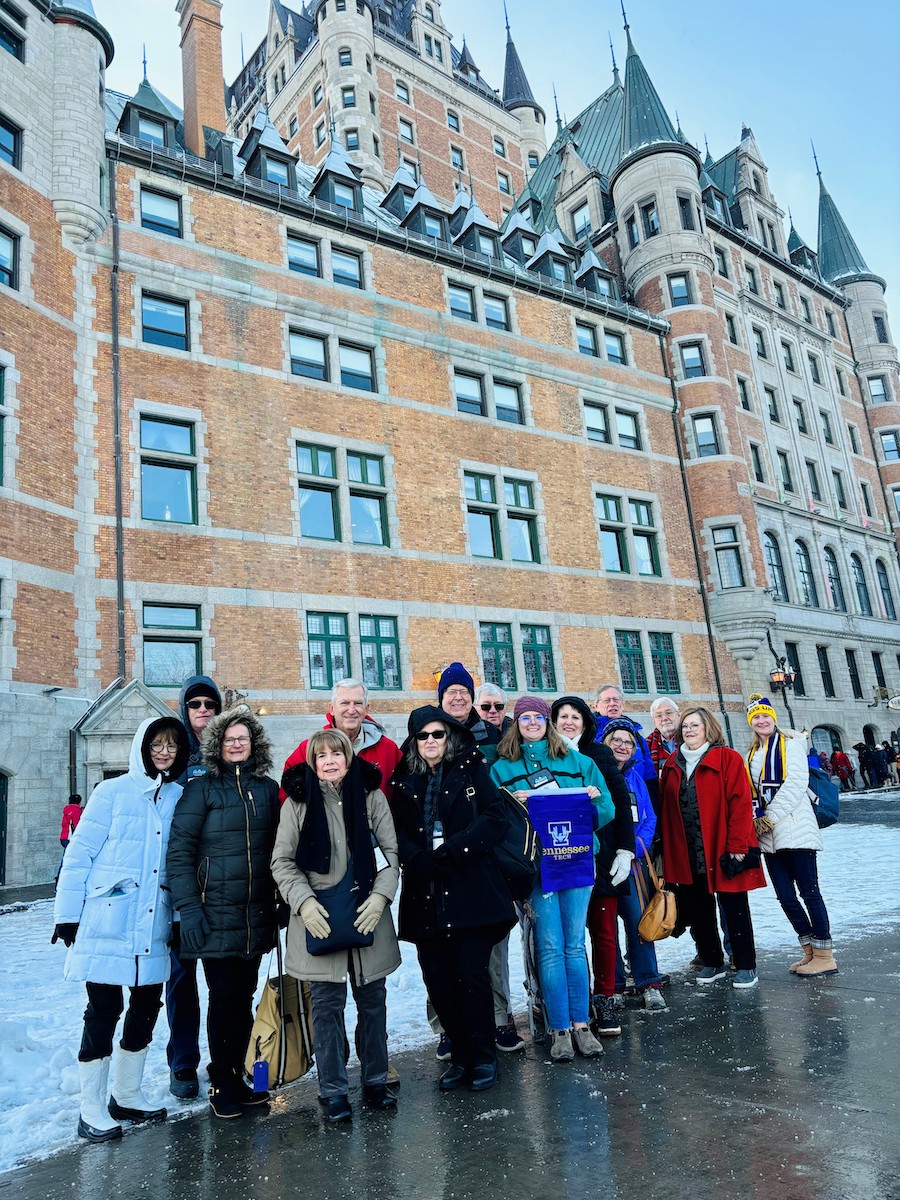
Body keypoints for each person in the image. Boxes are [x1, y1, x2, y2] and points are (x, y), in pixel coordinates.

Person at [52, 716, 189, 1143]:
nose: (164, 751)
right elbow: (80, 854)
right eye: (157, 744)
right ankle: (89, 1106)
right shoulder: (110, 793)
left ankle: (126, 1094)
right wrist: (67, 914)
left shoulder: (179, 796)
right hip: (108, 920)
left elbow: (179, 864)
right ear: (142, 746)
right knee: (103, 1010)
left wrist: (180, 920)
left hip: (153, 922)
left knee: (146, 1008)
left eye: (172, 745)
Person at [273, 729, 401, 1123]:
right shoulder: (297, 804)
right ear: (312, 762)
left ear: (348, 757)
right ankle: (332, 1090)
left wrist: (381, 896)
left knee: (372, 1001)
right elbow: (282, 861)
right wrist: (304, 903)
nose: (329, 761)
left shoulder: (370, 797)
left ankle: (376, 1080)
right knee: (326, 1008)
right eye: (321, 756)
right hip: (319, 917)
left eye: (336, 753)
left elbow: (390, 852)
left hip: (367, 911)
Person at [390, 706, 515, 1092]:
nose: (431, 742)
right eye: (423, 736)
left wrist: (454, 851)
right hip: (426, 892)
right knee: (439, 981)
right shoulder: (403, 779)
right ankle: (460, 1057)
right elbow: (396, 827)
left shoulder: (473, 768)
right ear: (414, 741)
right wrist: (416, 858)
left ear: (450, 737)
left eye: (438, 734)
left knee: (471, 978)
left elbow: (494, 819)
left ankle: (483, 1056)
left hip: (470, 890)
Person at [166, 707, 281, 1120]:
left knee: (244, 997)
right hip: (213, 915)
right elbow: (178, 855)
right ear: (217, 745)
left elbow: (279, 851)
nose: (237, 744)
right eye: (230, 739)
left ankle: (247, 1075)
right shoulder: (201, 790)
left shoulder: (267, 790)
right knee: (223, 998)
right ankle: (223, 1079)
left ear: (254, 745)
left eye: (243, 738)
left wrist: (279, 901)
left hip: (254, 915)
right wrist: (190, 911)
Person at [491, 697, 613, 1063]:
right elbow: (498, 819)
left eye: (538, 717)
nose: (532, 723)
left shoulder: (580, 762)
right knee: (548, 946)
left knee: (574, 945)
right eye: (524, 717)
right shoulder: (502, 769)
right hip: (536, 868)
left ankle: (581, 1023)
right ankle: (558, 1026)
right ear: (516, 723)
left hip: (576, 863)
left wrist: (589, 804)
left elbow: (606, 808)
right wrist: (516, 802)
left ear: (549, 722)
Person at [434, 664, 520, 1056]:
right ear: (440, 697)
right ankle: (447, 1027)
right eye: (450, 692)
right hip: (442, 856)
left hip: (485, 852)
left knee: (492, 945)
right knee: (441, 946)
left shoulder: (494, 736)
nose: (457, 698)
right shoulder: (428, 731)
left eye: (463, 693)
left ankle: (499, 1019)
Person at [658, 705, 765, 989]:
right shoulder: (672, 764)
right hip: (688, 848)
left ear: (708, 728)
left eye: (695, 725)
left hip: (722, 846)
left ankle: (745, 964)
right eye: (686, 727)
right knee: (699, 910)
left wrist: (737, 844)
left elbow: (740, 804)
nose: (689, 730)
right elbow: (667, 811)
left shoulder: (726, 758)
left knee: (735, 908)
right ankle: (712, 960)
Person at [550, 695, 634, 1037]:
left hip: (602, 855)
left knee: (603, 930)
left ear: (586, 722)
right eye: (563, 716)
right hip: (561, 858)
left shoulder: (598, 754)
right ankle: (571, 1002)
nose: (569, 722)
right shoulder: (545, 754)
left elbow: (621, 804)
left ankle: (606, 996)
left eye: (576, 716)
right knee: (566, 937)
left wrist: (625, 850)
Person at [745, 695, 837, 976]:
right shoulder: (752, 752)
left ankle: (825, 954)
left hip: (795, 828)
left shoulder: (791, 744)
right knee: (785, 896)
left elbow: (796, 784)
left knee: (809, 892)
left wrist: (768, 818)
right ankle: (809, 950)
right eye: (756, 717)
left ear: (774, 718)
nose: (762, 721)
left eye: (766, 716)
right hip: (770, 837)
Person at [166, 674, 222, 1100]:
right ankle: (183, 1060)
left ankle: (223, 1056)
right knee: (182, 980)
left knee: (225, 981)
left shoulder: (229, 753)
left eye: (209, 703)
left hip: (223, 883)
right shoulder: (174, 757)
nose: (203, 710)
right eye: (195, 703)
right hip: (181, 886)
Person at [601, 720, 667, 1013]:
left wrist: (638, 847)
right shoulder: (597, 773)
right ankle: (612, 986)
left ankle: (648, 982)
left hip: (633, 863)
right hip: (603, 862)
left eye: (628, 742)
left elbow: (649, 817)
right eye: (616, 740)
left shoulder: (636, 778)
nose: (622, 746)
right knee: (605, 929)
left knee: (638, 923)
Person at [279, 678, 403, 803]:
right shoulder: (308, 749)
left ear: (367, 709)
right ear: (332, 708)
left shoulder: (388, 749)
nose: (351, 710)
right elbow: (287, 800)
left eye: (358, 703)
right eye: (344, 703)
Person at [592, 683, 658, 805]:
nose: (612, 703)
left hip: (637, 799)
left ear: (623, 705)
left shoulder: (636, 734)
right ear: (596, 706)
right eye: (607, 700)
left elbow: (649, 774)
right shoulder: (591, 734)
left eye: (616, 699)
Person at [646, 698, 680, 773]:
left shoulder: (691, 737)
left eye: (668, 713)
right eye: (659, 715)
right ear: (654, 721)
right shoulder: (646, 745)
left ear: (678, 715)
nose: (664, 718)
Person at [56, 793, 83, 883]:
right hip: (71, 839)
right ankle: (63, 881)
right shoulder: (76, 810)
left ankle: (60, 880)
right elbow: (77, 824)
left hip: (64, 838)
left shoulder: (67, 810)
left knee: (66, 859)